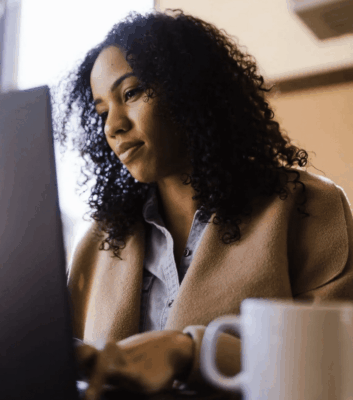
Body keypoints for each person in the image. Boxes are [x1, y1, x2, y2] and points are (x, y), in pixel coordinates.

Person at [55, 9, 353, 399]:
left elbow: (335, 361)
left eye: (130, 93)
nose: (113, 126)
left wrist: (192, 351)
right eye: (102, 111)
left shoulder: (307, 207)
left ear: (189, 89)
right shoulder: (99, 240)